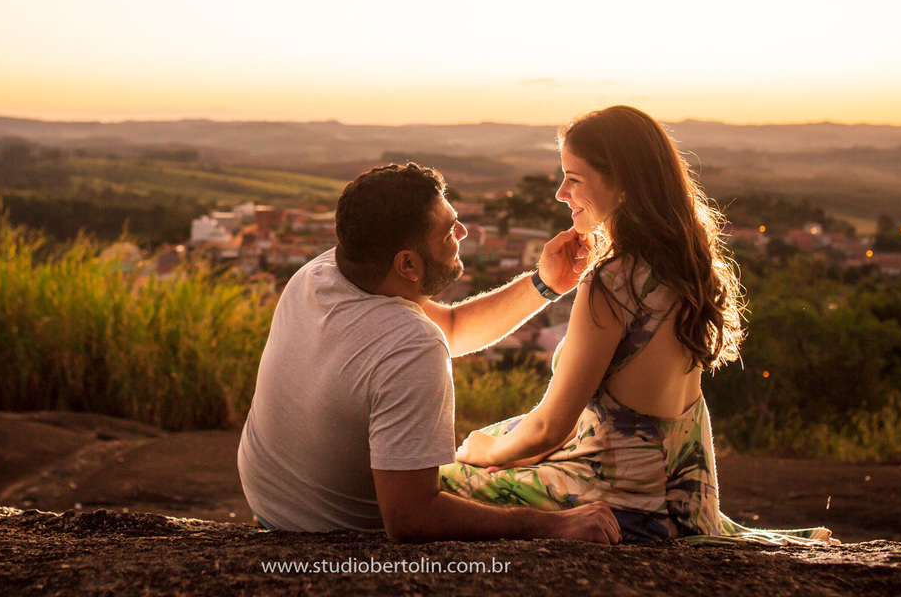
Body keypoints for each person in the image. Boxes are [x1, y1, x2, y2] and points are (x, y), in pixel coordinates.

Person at [439, 106, 834, 544]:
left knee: (437, 483)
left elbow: (552, 428)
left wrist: (484, 453)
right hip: (687, 508)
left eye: (574, 178)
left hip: (621, 508)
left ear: (622, 183)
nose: (560, 193)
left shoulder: (612, 282)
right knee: (499, 435)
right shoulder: (686, 266)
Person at [238, 162, 620, 543]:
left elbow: (452, 327)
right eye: (448, 231)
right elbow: (411, 518)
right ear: (407, 264)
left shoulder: (322, 272)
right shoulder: (413, 344)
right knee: (552, 475)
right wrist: (548, 526)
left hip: (271, 503)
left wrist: (544, 283)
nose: (463, 232)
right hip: (330, 534)